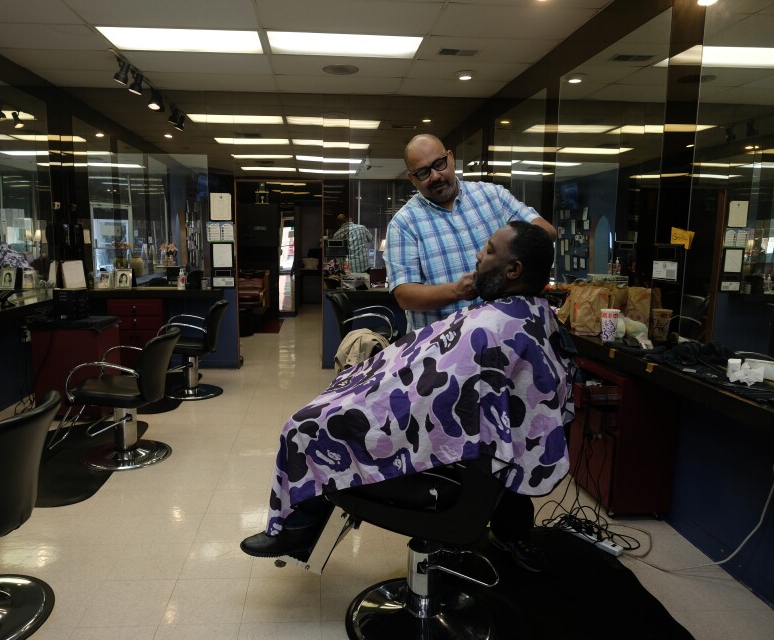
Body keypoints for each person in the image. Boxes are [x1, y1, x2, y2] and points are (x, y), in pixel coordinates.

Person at [241, 221, 575, 572]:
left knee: (303, 426)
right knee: (338, 406)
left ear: (513, 270)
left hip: (458, 465)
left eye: (489, 250)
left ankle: (297, 526)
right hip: (478, 451)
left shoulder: (491, 330)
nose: (479, 255)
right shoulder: (534, 318)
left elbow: (424, 403)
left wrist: (361, 394)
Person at [384, 134, 557, 333]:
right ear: (412, 179)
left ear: (451, 158)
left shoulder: (493, 196)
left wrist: (501, 265)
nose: (436, 176)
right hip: (442, 345)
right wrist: (457, 291)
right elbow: (405, 296)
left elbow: (546, 232)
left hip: (506, 334)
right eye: (423, 172)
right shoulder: (403, 223)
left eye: (439, 164)